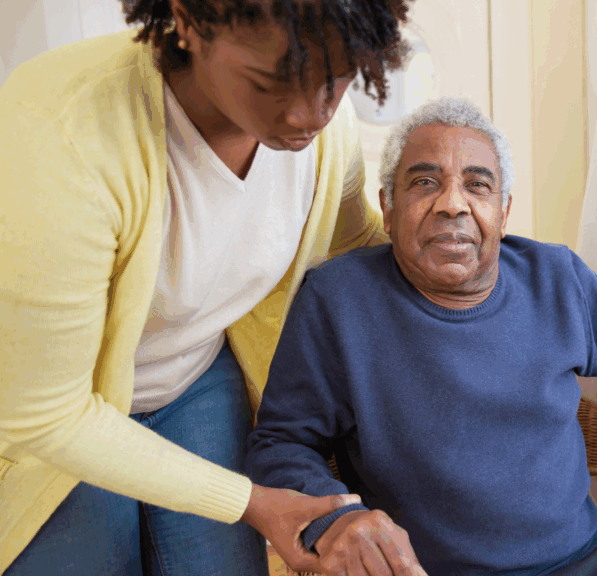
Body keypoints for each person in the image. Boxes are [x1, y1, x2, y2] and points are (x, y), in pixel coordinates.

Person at [245, 96, 597, 576]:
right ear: (387, 209)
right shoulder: (338, 300)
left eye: (477, 185)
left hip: (592, 562)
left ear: (503, 210)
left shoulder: (556, 280)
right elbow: (279, 444)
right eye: (424, 182)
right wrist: (337, 520)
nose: (453, 203)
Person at [0, 1, 418, 574]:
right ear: (189, 21)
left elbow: (355, 243)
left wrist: (497, 274)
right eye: (270, 83)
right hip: (49, 412)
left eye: (337, 80)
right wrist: (250, 503)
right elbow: (46, 415)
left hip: (194, 375)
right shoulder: (61, 133)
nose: (310, 114)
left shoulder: (325, 136)